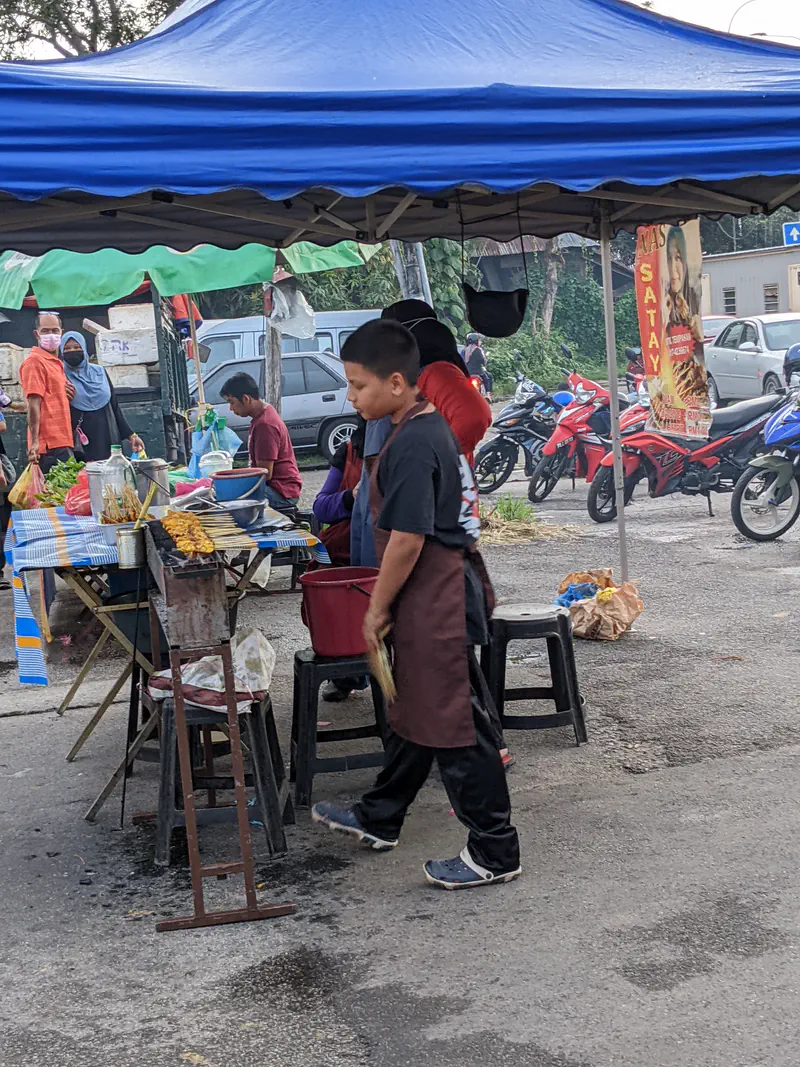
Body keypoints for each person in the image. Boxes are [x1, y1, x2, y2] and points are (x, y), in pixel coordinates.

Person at [312, 319, 521, 890]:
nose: (350, 398)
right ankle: (380, 816)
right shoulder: (418, 428)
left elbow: (406, 540)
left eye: (358, 386)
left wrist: (375, 610)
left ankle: (495, 850)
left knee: (456, 725)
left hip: (440, 598)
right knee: (412, 713)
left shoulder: (413, 443)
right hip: (431, 593)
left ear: (398, 382)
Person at [313, 415, 370, 702]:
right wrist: (350, 497)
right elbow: (320, 507)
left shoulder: (409, 444)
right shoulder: (348, 451)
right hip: (347, 551)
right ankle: (346, 672)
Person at [409, 318, 491, 466]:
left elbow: (473, 417)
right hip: (472, 373)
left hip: (442, 478)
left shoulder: (435, 373)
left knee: (488, 377)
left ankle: (489, 393)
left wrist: (440, 460)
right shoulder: (475, 350)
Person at [59, 332, 145, 462]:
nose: (72, 351)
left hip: (108, 437)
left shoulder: (99, 372)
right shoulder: (60, 376)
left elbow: (114, 406)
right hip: (81, 446)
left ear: (84, 348)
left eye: (77, 347)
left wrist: (132, 436)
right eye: (67, 349)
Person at [220, 372, 302, 508]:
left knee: (230, 501)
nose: (231, 408)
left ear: (246, 398)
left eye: (232, 402)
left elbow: (264, 474)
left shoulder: (265, 424)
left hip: (281, 491)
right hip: (276, 487)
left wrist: (233, 481)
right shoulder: (264, 413)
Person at [20, 311, 74, 473]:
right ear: (36, 334)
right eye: (45, 331)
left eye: (55, 330)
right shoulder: (34, 362)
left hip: (62, 440)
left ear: (61, 333)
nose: (51, 335)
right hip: (48, 446)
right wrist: (35, 442)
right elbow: (33, 404)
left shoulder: (55, 363)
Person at [464, 332, 493, 401]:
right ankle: (488, 395)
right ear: (476, 341)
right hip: (478, 371)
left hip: (467, 371)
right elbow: (483, 361)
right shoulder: (478, 350)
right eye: (479, 340)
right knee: (488, 377)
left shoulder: (464, 350)